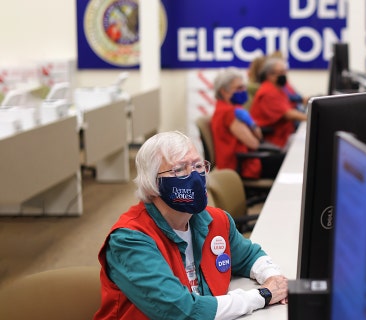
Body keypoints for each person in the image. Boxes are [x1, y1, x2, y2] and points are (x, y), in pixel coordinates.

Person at [93, 131, 288, 320]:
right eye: (179, 169)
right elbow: (182, 312)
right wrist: (262, 296)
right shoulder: (129, 240)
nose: (194, 176)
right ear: (152, 183)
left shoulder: (215, 220)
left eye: (198, 166)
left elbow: (250, 257)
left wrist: (275, 279)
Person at [211, 68, 266, 179]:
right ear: (224, 91)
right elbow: (255, 143)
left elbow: (258, 138)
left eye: (244, 86)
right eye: (239, 88)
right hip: (239, 168)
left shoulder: (231, 108)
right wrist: (252, 124)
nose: (244, 90)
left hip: (239, 164)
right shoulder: (228, 112)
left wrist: (250, 122)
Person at [250, 56, 308, 148]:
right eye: (281, 72)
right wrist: (311, 118)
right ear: (269, 75)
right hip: (275, 140)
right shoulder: (268, 92)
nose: (284, 75)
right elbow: (289, 114)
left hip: (284, 136)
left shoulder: (279, 88)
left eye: (285, 72)